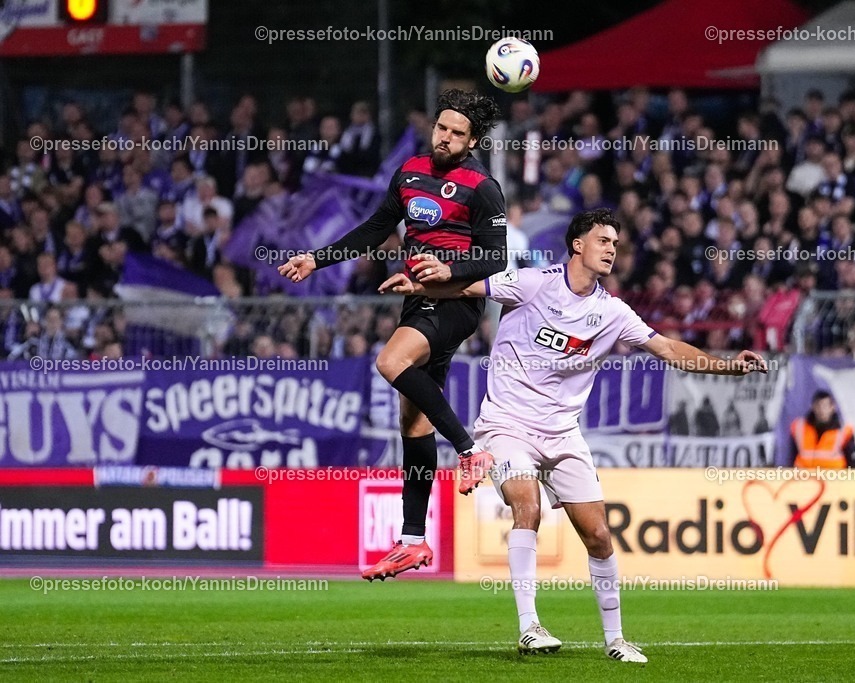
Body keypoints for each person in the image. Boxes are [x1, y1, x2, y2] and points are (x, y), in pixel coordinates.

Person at [379, 208, 767, 664]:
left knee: (599, 535)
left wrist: (726, 365)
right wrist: (419, 285)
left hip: (563, 433)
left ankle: (616, 639)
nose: (612, 250)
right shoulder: (533, 283)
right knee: (528, 506)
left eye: (616, 245)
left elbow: (667, 348)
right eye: (604, 241)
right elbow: (467, 286)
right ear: (577, 244)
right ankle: (529, 627)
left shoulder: (612, 311)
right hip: (507, 424)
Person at [278, 89, 507, 581]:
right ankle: (412, 541)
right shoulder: (409, 172)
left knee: (390, 361)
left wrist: (443, 271)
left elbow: (495, 259)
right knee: (414, 424)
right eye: (441, 127)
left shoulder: (482, 187)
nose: (445, 137)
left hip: (456, 301)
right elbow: (375, 228)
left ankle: (471, 450)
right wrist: (316, 259)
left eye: (456, 132)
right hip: (417, 296)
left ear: (472, 141)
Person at [790, 390, 855, 468]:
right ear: (813, 406)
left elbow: (851, 460)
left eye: (825, 406)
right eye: (818, 406)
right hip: (804, 475)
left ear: (832, 407)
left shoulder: (844, 431)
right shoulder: (799, 427)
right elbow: (791, 454)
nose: (821, 410)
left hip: (834, 476)